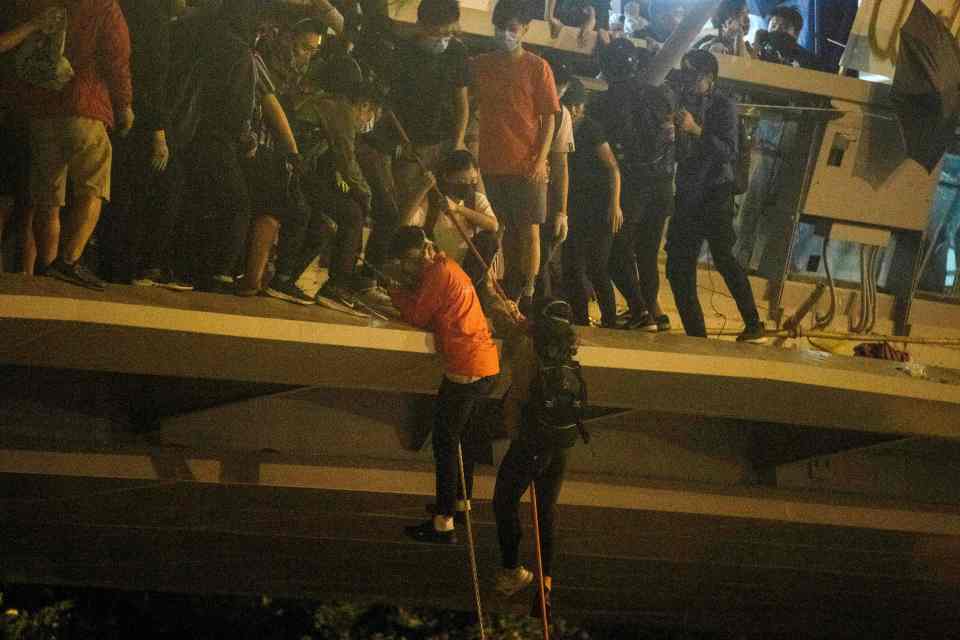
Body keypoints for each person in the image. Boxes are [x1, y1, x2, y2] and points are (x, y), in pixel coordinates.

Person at [387, 225, 500, 544]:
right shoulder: (447, 267)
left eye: (408, 261)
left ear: (421, 251)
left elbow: (418, 316)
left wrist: (394, 291)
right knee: (462, 438)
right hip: (483, 364)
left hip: (465, 367)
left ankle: (443, 521)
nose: (408, 267)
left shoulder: (438, 273)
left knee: (445, 443)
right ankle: (460, 503)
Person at [23, 0, 133, 290]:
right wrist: (124, 105)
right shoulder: (104, 6)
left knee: (48, 195)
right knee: (93, 185)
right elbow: (117, 59)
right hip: (85, 103)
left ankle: (46, 267)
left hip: (43, 106)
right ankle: (69, 262)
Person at [492, 297, 586, 624]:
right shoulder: (569, 348)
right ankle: (546, 586)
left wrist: (516, 437)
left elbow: (516, 397)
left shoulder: (530, 349)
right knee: (546, 512)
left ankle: (512, 569)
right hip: (562, 441)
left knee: (503, 501)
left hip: (532, 442)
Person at [666, 50, 765, 343]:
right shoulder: (682, 101)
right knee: (678, 266)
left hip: (713, 193)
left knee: (723, 258)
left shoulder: (724, 106)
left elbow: (728, 151)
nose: (687, 81)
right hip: (687, 193)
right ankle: (696, 334)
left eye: (693, 76)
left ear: (709, 78)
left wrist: (695, 130)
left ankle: (753, 322)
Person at [471, 0, 560, 313]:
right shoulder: (480, 63)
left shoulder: (538, 67)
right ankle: (502, 286)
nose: (505, 34)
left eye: (512, 29)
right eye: (500, 28)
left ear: (524, 30)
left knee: (529, 230)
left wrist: (539, 160)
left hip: (526, 164)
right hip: (490, 162)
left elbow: (551, 118)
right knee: (499, 230)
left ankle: (529, 289)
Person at [284, 62, 388, 310]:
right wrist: (365, 194)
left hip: (299, 171)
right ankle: (336, 287)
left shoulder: (329, 104)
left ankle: (284, 278)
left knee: (322, 224)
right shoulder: (340, 111)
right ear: (363, 104)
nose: (370, 120)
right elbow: (346, 160)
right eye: (372, 113)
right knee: (352, 215)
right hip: (292, 171)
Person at [594, 39, 673, 332]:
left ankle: (640, 311)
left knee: (615, 253)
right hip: (663, 185)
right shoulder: (660, 95)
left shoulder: (602, 103)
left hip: (630, 187)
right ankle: (653, 314)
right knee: (648, 255)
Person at [388, 0, 471, 242]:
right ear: (422, 25)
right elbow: (392, 103)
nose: (444, 39)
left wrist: (457, 143)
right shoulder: (404, 52)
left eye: (449, 33)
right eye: (439, 33)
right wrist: (402, 144)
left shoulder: (457, 52)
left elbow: (462, 103)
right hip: (411, 146)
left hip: (446, 142)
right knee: (404, 209)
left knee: (439, 210)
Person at [0, 6, 62, 273]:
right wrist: (34, 24)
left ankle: (27, 276)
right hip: (13, 110)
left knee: (28, 201)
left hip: (31, 113)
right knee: (8, 199)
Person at [561, 79, 621, 328]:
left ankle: (610, 321)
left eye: (579, 106)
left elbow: (613, 168)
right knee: (573, 268)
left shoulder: (591, 129)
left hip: (597, 207)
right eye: (571, 105)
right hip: (574, 207)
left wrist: (615, 204)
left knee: (597, 266)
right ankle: (581, 320)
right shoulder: (560, 127)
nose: (575, 111)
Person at [402, 149, 499, 283]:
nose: (467, 186)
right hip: (437, 268)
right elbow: (403, 223)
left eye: (472, 180)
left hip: (467, 272)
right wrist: (422, 189)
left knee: (489, 239)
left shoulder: (475, 200)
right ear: (447, 177)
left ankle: (469, 287)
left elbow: (493, 225)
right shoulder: (432, 201)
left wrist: (458, 208)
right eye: (461, 181)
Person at [535, 62, 575, 302]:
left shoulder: (562, 115)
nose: (556, 96)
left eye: (561, 91)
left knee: (541, 259)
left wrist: (562, 212)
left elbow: (561, 166)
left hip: (544, 196)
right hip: (512, 188)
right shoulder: (521, 103)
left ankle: (540, 308)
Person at [754, 5, 819, 70]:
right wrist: (756, 46)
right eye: (773, 26)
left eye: (784, 27)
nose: (777, 29)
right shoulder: (761, 51)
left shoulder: (810, 60)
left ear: (796, 33)